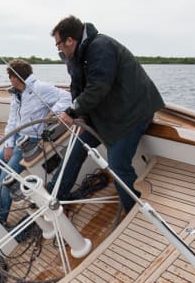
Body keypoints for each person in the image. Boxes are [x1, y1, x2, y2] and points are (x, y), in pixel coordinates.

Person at [51, 15, 165, 213]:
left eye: (58, 44)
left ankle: (135, 212)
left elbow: (98, 87)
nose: (58, 48)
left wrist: (72, 111)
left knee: (117, 164)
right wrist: (81, 117)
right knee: (76, 148)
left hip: (132, 112)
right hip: (106, 113)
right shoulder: (75, 57)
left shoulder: (100, 47)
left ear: (70, 40)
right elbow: (77, 88)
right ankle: (54, 199)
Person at [0, 59, 71, 225]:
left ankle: (0, 219)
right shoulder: (16, 95)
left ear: (15, 78)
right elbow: (12, 121)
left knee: (6, 176)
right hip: (16, 139)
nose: (9, 79)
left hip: (31, 140)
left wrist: (52, 113)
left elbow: (67, 96)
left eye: (10, 76)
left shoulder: (40, 88)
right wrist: (8, 145)